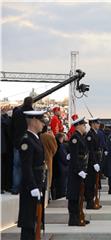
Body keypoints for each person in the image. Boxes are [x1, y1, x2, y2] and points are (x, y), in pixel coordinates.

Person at [17, 110, 46, 240]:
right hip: (31, 186)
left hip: (38, 183)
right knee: (29, 221)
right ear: (34, 120)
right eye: (41, 121)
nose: (43, 124)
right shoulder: (27, 140)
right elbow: (26, 166)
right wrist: (33, 186)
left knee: (36, 218)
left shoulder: (35, 138)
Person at [67, 117, 90, 226]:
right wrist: (79, 170)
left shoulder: (80, 137)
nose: (85, 126)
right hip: (75, 171)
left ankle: (79, 216)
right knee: (74, 195)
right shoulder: (75, 138)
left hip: (81, 169)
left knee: (79, 195)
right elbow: (75, 157)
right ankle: (73, 219)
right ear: (78, 126)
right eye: (83, 125)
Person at [11, 96, 34, 194]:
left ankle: (15, 188)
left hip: (17, 142)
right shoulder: (32, 113)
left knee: (16, 166)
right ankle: (26, 187)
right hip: (29, 142)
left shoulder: (17, 112)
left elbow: (11, 127)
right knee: (28, 165)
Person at [84, 117, 102, 209]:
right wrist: (94, 162)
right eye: (97, 123)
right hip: (91, 163)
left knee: (94, 182)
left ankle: (92, 201)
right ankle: (89, 202)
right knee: (90, 183)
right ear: (92, 124)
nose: (98, 125)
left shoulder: (95, 133)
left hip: (96, 160)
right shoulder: (90, 135)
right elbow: (90, 150)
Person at [39, 126, 57, 203]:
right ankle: (47, 197)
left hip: (40, 159)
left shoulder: (38, 135)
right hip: (48, 158)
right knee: (48, 177)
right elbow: (54, 148)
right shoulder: (48, 136)